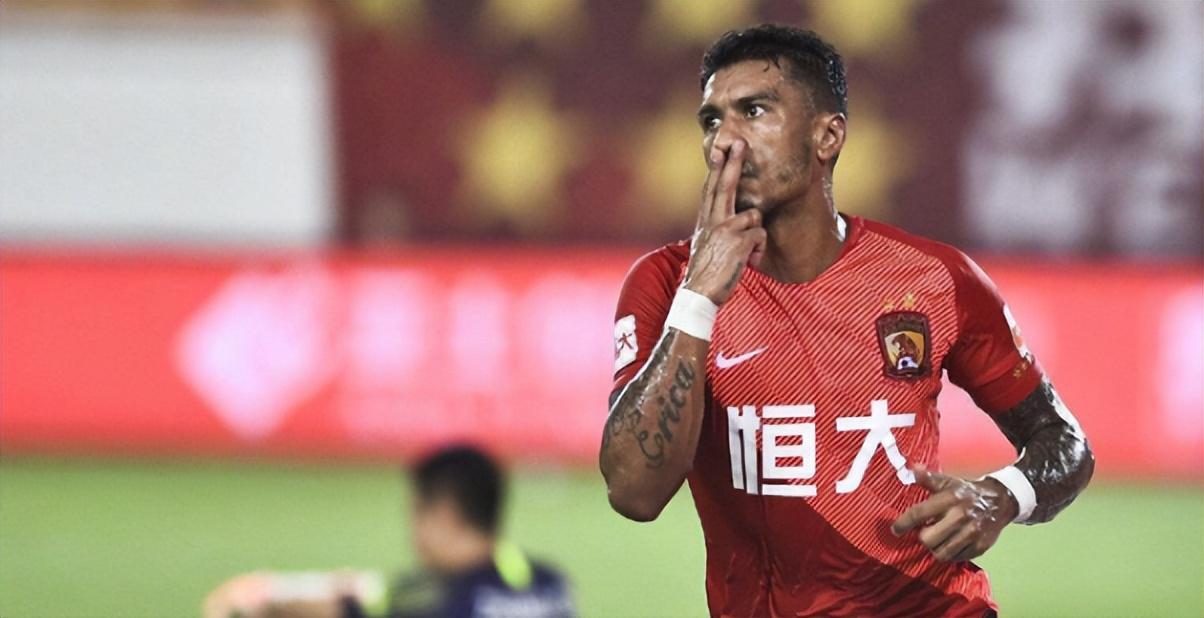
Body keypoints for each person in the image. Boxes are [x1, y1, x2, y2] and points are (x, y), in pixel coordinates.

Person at [600, 24, 1094, 617]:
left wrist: (1002, 495)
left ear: (828, 135)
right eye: (711, 121)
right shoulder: (668, 284)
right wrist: (699, 299)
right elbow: (634, 493)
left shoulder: (934, 278)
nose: (724, 141)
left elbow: (1064, 442)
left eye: (753, 111)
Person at [204, 445, 575, 618]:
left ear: (443, 515)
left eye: (415, 512)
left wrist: (264, 596)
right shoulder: (551, 584)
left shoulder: (430, 602)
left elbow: (353, 606)